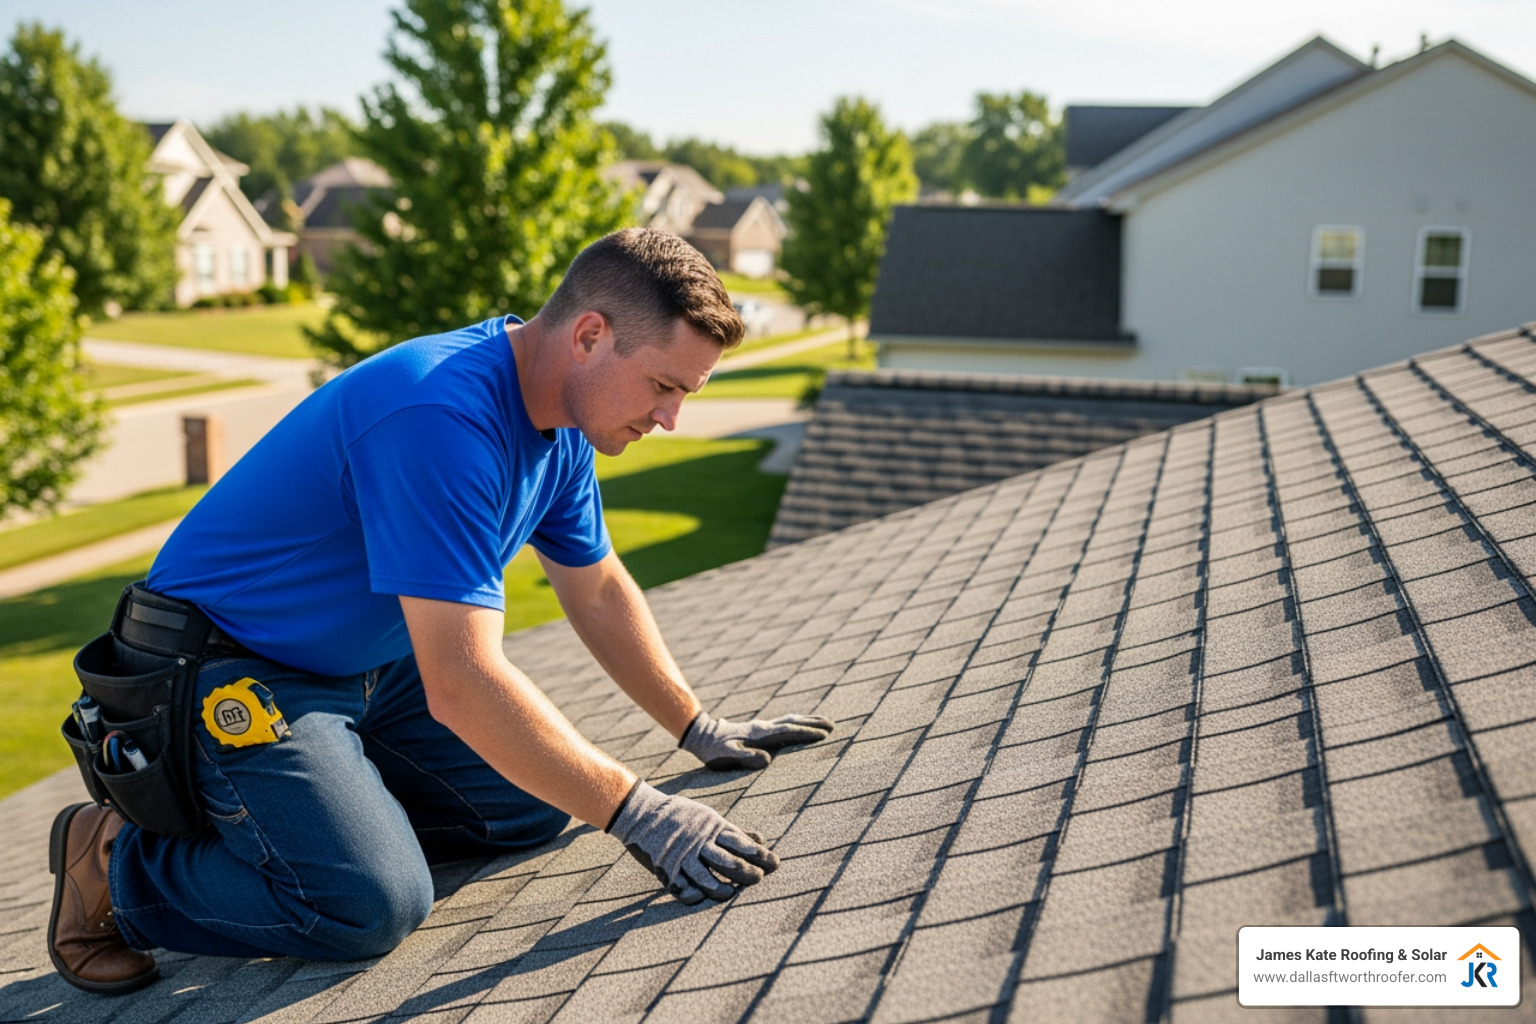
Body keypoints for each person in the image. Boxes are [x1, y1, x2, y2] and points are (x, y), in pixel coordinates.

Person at [47, 229, 834, 994]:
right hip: (225, 671)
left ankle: (311, 821)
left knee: (529, 806)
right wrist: (642, 816)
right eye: (665, 386)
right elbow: (460, 681)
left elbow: (594, 587)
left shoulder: (561, 429)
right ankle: (115, 865)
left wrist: (694, 725)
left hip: (364, 667)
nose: (670, 419)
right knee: (369, 904)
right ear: (590, 335)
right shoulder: (440, 418)